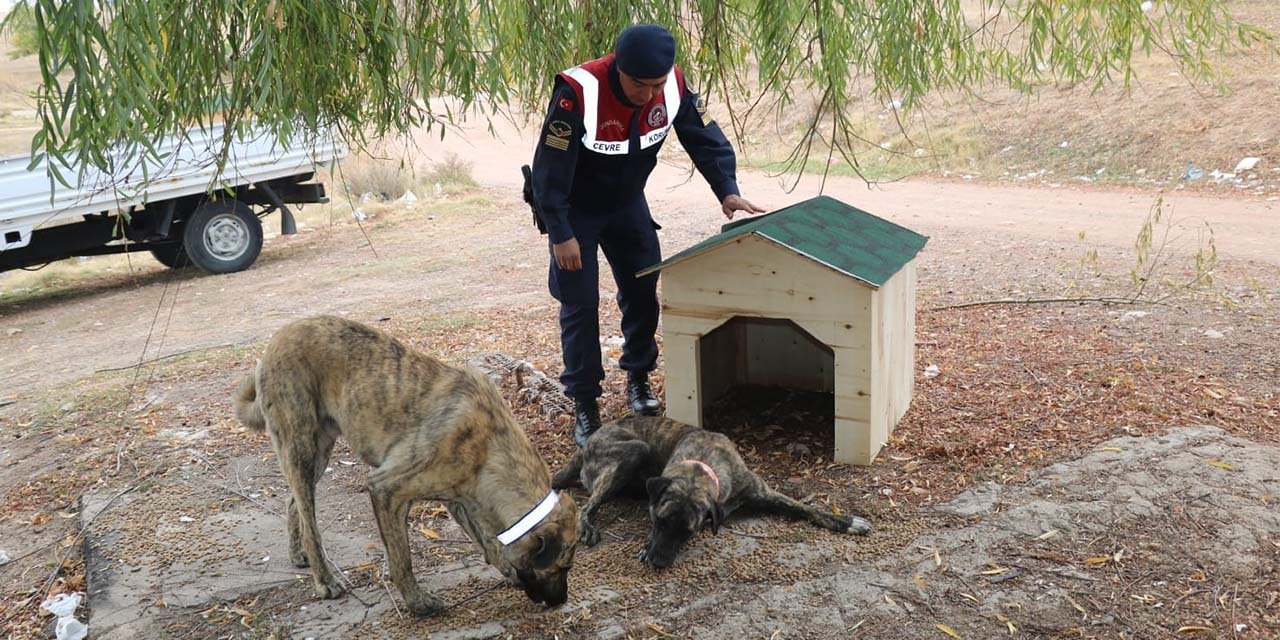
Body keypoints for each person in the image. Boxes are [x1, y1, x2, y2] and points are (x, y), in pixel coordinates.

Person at [528, 23, 765, 448]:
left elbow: (704, 137)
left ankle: (638, 377)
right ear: (620, 70)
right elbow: (550, 169)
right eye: (643, 86)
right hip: (576, 211)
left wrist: (727, 191)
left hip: (626, 204)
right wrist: (560, 232)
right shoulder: (578, 91)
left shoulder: (670, 84)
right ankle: (585, 403)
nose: (652, 95)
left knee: (641, 289)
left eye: (658, 85)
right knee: (579, 304)